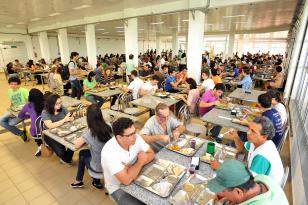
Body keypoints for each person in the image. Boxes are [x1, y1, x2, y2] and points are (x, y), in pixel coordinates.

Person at [212, 117, 284, 185]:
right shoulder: (257, 141)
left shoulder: (262, 155)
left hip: (265, 190)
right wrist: (235, 136)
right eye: (249, 129)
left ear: (264, 136)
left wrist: (220, 168)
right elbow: (242, 148)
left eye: (253, 131)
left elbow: (248, 182)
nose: (248, 132)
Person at [101, 117, 155, 205]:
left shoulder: (135, 137)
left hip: (138, 174)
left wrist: (129, 169)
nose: (135, 136)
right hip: (117, 187)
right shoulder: (109, 152)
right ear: (119, 137)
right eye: (130, 135)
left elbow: (151, 154)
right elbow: (126, 181)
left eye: (135, 132)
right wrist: (140, 162)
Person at [208, 160, 289, 205]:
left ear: (238, 192)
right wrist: (228, 196)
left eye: (223, 191)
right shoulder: (262, 178)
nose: (220, 193)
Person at [71, 104, 112, 189]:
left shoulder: (90, 133)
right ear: (100, 115)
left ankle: (80, 181)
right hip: (109, 162)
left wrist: (83, 136)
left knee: (82, 154)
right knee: (88, 153)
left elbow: (76, 145)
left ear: (88, 118)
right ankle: (94, 182)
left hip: (99, 167)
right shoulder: (109, 126)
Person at [41, 94, 75, 166]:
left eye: (60, 102)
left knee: (73, 144)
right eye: (57, 104)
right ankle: (66, 158)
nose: (59, 105)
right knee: (61, 152)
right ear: (51, 104)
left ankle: (65, 159)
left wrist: (71, 118)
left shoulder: (62, 108)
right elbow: (50, 126)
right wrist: (64, 120)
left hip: (64, 131)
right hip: (50, 135)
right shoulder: (45, 112)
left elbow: (70, 116)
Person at [0, 77, 29, 141]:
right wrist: (11, 110)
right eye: (11, 84)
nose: (13, 86)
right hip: (14, 110)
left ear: (18, 84)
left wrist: (19, 112)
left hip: (24, 112)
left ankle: (21, 133)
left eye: (15, 84)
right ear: (9, 84)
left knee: (10, 123)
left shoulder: (24, 91)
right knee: (1, 121)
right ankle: (21, 133)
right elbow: (12, 102)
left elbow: (29, 104)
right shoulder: (9, 91)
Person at [18, 89, 45, 156]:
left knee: (34, 131)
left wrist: (30, 115)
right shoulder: (47, 103)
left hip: (36, 130)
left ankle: (40, 148)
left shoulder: (28, 105)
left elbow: (20, 115)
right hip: (48, 127)